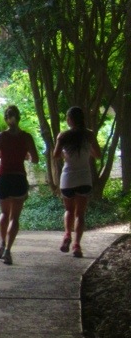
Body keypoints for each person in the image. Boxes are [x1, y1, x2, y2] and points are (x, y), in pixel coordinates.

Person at [0, 105, 39, 264]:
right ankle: (8, 251)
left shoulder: (0, 136)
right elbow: (35, 159)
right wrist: (24, 156)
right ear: (19, 118)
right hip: (18, 178)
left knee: (4, 213)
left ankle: (3, 243)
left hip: (3, 178)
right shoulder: (27, 137)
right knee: (15, 218)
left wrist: (4, 153)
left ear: (6, 119)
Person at [52, 106, 102, 258]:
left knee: (68, 210)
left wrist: (65, 155)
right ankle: (77, 246)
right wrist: (88, 152)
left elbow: (55, 155)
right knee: (80, 213)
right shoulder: (89, 135)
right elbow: (98, 155)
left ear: (69, 119)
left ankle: (67, 235)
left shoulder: (63, 135)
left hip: (68, 178)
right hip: (84, 178)